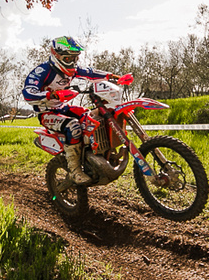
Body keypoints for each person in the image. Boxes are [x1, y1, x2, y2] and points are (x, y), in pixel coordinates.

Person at [23, 36, 131, 185]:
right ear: (56, 55)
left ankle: (95, 155)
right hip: (46, 113)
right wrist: (51, 95)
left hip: (62, 108)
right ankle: (75, 171)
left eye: (75, 58)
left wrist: (113, 77)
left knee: (91, 117)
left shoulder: (72, 70)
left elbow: (90, 73)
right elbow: (28, 93)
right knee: (73, 126)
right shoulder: (42, 71)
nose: (73, 63)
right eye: (68, 59)